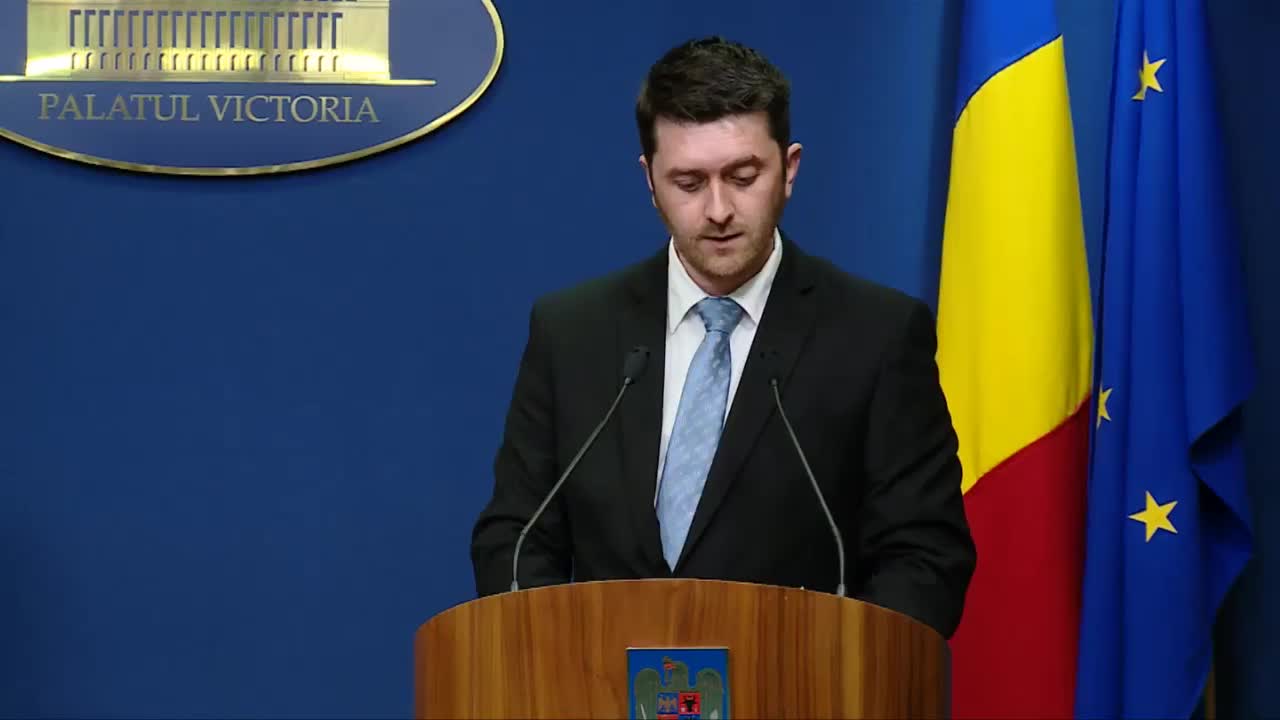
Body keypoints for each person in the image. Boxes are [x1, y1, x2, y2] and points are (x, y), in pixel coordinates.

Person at [470, 36, 976, 639]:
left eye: (742, 176)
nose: (718, 210)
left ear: (789, 169)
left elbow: (924, 557)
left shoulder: (878, 335)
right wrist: (564, 661)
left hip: (804, 680)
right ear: (649, 180)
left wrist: (833, 670)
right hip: (597, 678)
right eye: (688, 182)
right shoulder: (572, 331)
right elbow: (516, 537)